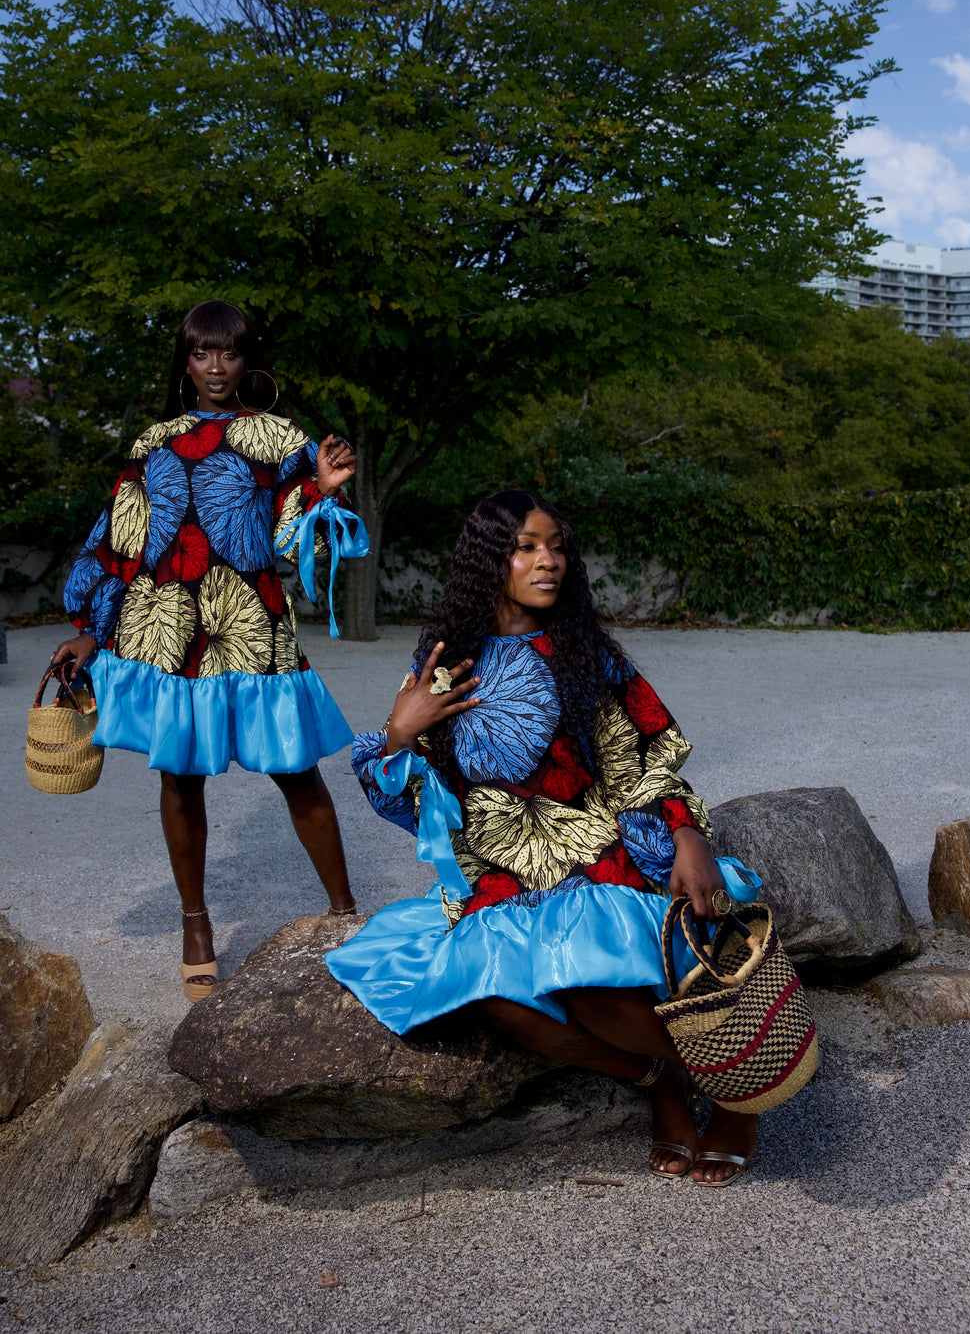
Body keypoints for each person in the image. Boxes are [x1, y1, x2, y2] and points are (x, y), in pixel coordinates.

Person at [326, 490, 760, 1185]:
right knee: (494, 998)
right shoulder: (446, 660)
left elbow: (642, 754)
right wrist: (400, 734)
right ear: (489, 559)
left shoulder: (587, 652)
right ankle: (660, 1081)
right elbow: (419, 802)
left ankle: (738, 1088)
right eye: (526, 547)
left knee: (584, 982)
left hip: (593, 848)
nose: (548, 561)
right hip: (501, 867)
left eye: (557, 546)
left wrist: (687, 835)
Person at [51, 299, 363, 1001]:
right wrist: (89, 627)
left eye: (229, 352)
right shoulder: (154, 442)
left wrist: (321, 491)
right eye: (201, 353)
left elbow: (294, 541)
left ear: (247, 359)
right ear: (185, 361)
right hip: (165, 623)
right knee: (179, 779)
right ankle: (196, 928)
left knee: (297, 770)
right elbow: (121, 539)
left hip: (249, 620)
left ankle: (346, 912)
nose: (215, 367)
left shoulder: (280, 436)